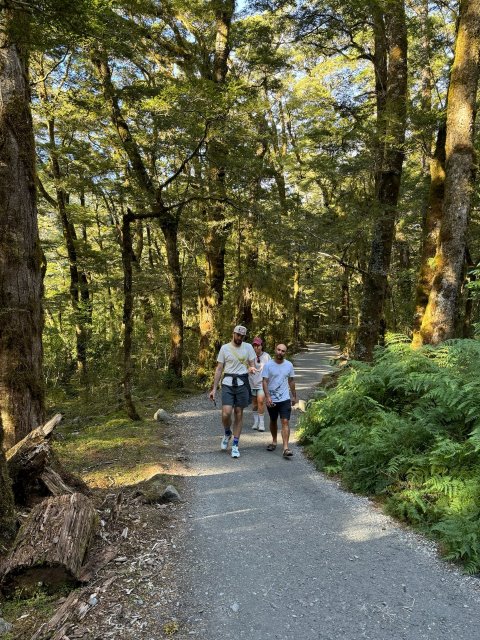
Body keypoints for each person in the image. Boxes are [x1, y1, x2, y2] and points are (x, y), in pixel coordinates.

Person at [209, 325, 256, 458]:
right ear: (233, 334)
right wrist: (214, 388)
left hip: (242, 383)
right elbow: (219, 369)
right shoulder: (224, 348)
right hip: (228, 383)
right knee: (226, 413)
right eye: (238, 335)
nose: (239, 338)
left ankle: (235, 444)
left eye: (242, 336)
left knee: (238, 413)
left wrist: (252, 369)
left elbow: (252, 364)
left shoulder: (248, 347)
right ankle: (227, 433)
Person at [262, 343, 298, 459]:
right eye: (278, 350)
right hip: (272, 399)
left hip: (285, 399)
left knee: (285, 422)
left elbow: (291, 381)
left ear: (285, 353)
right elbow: (265, 382)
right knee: (273, 420)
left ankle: (286, 448)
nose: (280, 352)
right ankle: (274, 441)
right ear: (275, 350)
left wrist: (294, 396)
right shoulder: (268, 365)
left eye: (283, 351)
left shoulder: (289, 365)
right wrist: (267, 397)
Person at [249, 337, 270, 432]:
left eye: (258, 345)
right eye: (254, 345)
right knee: (254, 404)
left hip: (262, 383)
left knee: (261, 401)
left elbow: (271, 369)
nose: (256, 347)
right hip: (252, 382)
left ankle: (261, 423)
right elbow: (246, 367)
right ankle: (256, 422)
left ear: (262, 346)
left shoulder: (266, 356)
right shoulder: (250, 356)